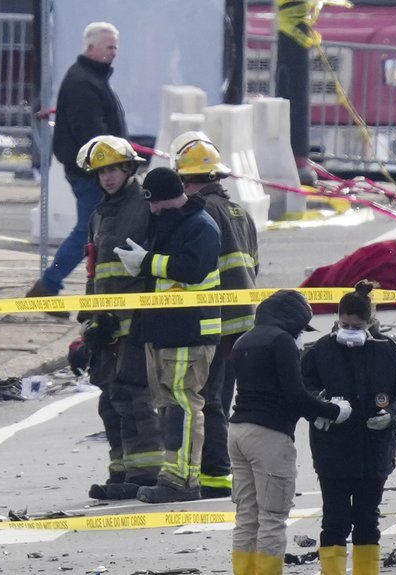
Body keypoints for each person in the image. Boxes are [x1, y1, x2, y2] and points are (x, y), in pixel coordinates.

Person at [114, 166, 221, 504]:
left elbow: (191, 269)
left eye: (156, 203)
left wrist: (147, 262)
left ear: (166, 199)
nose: (153, 210)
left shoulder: (201, 226)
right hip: (164, 331)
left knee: (184, 405)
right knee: (170, 405)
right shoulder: (168, 223)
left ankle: (183, 480)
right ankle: (173, 474)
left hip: (190, 332)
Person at [229, 289, 352, 575]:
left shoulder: (243, 340)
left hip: (237, 431)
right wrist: (331, 411)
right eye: (300, 328)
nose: (301, 335)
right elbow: (294, 395)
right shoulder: (280, 341)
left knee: (247, 516)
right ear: (291, 321)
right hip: (269, 437)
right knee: (272, 517)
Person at [301, 280, 396, 575]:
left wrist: (391, 415)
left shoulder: (387, 351)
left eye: (356, 326)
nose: (350, 331)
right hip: (332, 452)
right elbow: (302, 390)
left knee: (367, 518)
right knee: (335, 519)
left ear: (369, 323)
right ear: (337, 320)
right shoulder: (321, 351)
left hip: (374, 451)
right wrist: (319, 408)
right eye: (344, 324)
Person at [171, 131, 259, 499]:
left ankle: (216, 472)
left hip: (218, 320)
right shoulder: (242, 213)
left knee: (210, 399)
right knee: (223, 396)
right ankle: (221, 470)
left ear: (188, 181)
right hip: (245, 319)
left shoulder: (204, 212)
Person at [76, 135, 163, 500]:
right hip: (107, 326)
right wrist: (87, 324)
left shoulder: (144, 206)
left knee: (135, 398)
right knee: (110, 399)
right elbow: (94, 273)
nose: (107, 178)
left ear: (129, 168)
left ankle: (147, 473)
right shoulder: (99, 214)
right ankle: (121, 470)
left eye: (113, 169)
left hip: (138, 322)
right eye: (101, 172)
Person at [26, 22, 126, 316]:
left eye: (116, 47)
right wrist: (115, 167)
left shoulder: (90, 79)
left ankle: (59, 288)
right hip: (92, 172)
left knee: (96, 233)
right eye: (109, 47)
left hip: (94, 170)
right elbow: (92, 135)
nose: (114, 53)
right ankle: (49, 286)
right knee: (88, 232)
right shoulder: (84, 83)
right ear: (91, 47)